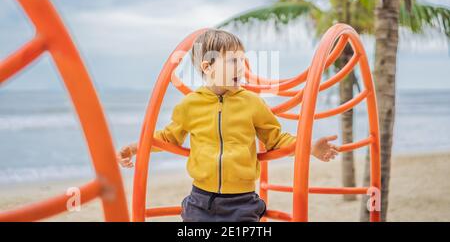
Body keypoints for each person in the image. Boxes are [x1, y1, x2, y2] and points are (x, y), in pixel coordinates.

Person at [117, 29, 339, 222]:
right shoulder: (190, 105)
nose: (241, 67)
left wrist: (309, 147)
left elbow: (276, 139)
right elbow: (167, 138)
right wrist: (136, 148)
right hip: (201, 200)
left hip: (242, 202)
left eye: (242, 60)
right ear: (208, 66)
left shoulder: (252, 103)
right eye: (233, 61)